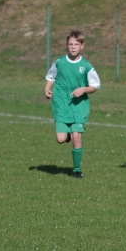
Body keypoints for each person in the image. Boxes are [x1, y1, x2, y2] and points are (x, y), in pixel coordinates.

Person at [44, 30, 101, 179]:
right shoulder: (59, 62)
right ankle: (67, 135)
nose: (73, 47)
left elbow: (95, 85)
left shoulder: (86, 66)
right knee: (61, 139)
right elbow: (51, 76)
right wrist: (47, 88)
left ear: (82, 46)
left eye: (77, 44)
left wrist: (84, 89)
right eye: (70, 44)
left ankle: (76, 169)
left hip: (78, 106)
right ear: (66, 45)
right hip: (61, 104)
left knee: (76, 137)